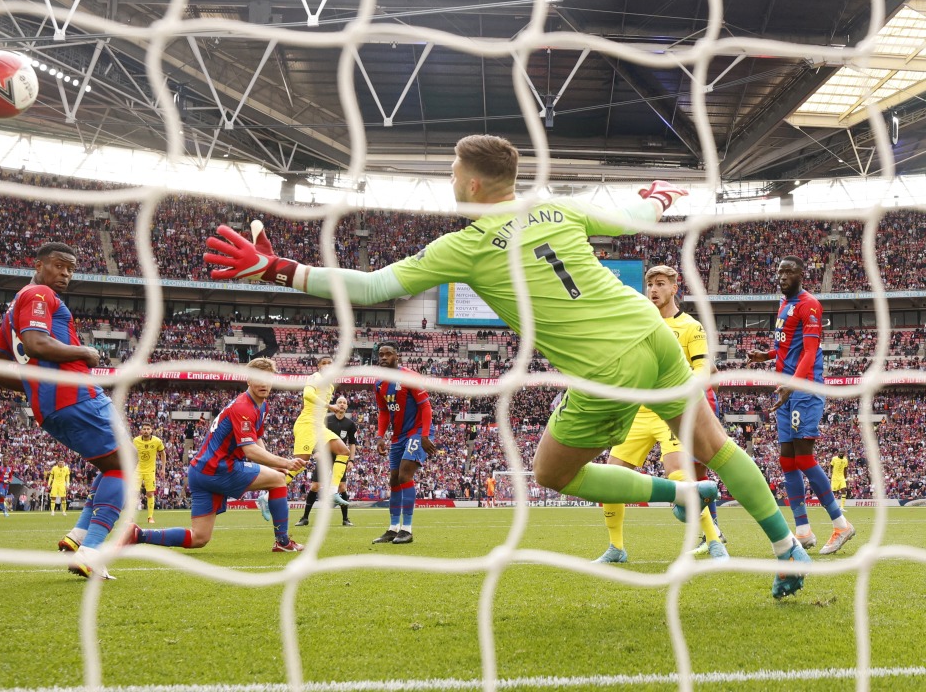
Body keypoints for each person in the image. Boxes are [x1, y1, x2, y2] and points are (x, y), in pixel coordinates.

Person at [206, 134, 810, 598]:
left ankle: (681, 491)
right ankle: (787, 549)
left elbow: (372, 287)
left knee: (553, 472)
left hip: (606, 365)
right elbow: (636, 218)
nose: (450, 178)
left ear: (471, 183)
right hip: (652, 332)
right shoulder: (553, 208)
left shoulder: (467, 245)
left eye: (452, 171)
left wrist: (278, 269)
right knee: (716, 443)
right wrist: (656, 196)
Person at [0, 242, 126, 580]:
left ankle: (78, 537)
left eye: (70, 269)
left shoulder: (14, 307)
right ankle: (91, 551)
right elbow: (36, 344)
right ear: (38, 264)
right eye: (59, 266)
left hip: (49, 407)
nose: (65, 274)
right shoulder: (39, 294)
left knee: (112, 465)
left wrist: (36, 386)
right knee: (126, 464)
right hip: (77, 394)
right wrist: (85, 353)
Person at [593, 265, 727, 564]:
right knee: (611, 477)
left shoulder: (691, 326)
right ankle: (616, 548)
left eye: (660, 283)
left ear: (674, 288)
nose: (653, 289)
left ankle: (714, 540)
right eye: (650, 284)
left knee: (678, 473)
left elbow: (703, 367)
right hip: (639, 411)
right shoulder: (639, 323)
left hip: (671, 410)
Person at [128, 358, 307, 552]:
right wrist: (285, 463)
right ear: (248, 380)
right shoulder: (244, 407)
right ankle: (282, 542)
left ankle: (138, 534)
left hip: (201, 471)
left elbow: (256, 439)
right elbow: (250, 450)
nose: (263, 383)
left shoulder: (261, 405)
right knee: (279, 480)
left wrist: (272, 464)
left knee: (199, 538)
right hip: (220, 468)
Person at [748, 256, 856, 556]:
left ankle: (841, 524)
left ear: (801, 275)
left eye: (789, 271)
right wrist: (767, 356)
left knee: (804, 458)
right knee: (787, 460)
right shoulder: (784, 304)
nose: (783, 276)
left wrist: (792, 384)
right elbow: (787, 348)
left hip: (804, 388)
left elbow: (809, 352)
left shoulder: (810, 305)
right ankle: (803, 530)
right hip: (786, 388)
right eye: (779, 271)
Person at [270, 356, 350, 522]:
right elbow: (307, 394)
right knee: (299, 463)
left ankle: (332, 492)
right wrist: (329, 406)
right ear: (319, 366)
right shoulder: (316, 377)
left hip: (318, 426)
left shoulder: (329, 385)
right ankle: (266, 495)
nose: (327, 366)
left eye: (330, 364)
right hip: (307, 424)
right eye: (324, 363)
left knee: (343, 451)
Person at [370, 343, 435, 545]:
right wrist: (380, 436)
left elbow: (426, 407)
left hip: (417, 432)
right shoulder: (379, 383)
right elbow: (383, 412)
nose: (383, 357)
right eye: (381, 354)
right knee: (394, 479)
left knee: (404, 475)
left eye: (388, 354)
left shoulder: (410, 377)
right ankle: (393, 528)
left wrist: (425, 435)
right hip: (398, 436)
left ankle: (407, 529)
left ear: (396, 356)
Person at [296, 396, 358, 527]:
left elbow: (352, 444)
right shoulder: (326, 420)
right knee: (315, 486)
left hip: (340, 458)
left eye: (344, 403)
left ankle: (345, 519)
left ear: (347, 406)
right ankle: (305, 517)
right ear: (335, 404)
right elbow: (315, 436)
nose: (342, 404)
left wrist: (351, 460)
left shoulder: (350, 424)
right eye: (339, 402)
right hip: (325, 457)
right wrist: (316, 451)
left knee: (342, 487)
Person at [132, 420, 165, 523]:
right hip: (137, 470)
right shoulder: (135, 441)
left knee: (150, 493)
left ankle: (150, 517)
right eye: (144, 429)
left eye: (148, 429)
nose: (146, 431)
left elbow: (163, 454)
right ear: (141, 431)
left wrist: (163, 468)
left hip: (150, 471)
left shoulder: (157, 441)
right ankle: (130, 517)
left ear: (151, 430)